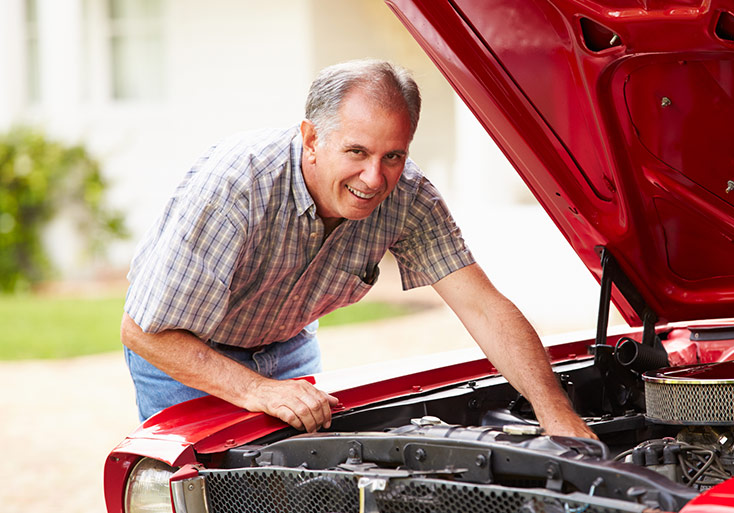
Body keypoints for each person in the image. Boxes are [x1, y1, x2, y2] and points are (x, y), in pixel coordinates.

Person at [121, 59, 595, 439]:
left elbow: (484, 307)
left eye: (393, 155)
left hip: (288, 348)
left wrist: (556, 414)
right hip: (185, 353)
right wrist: (256, 390)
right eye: (357, 152)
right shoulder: (234, 187)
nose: (375, 179)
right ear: (311, 139)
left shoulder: (409, 199)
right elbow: (143, 332)